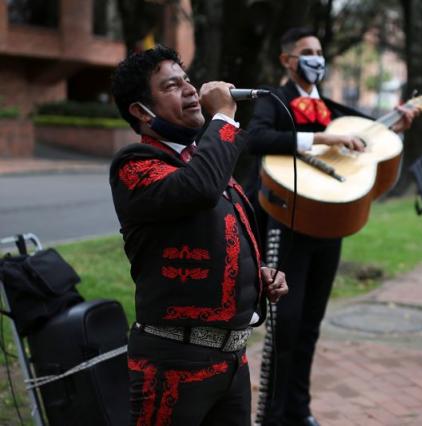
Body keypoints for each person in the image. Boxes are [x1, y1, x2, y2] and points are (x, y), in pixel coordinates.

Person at [245, 28, 419, 426]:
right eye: (307, 52)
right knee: (283, 327)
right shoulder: (276, 99)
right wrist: (318, 137)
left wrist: (396, 125)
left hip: (327, 223)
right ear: (287, 60)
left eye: (320, 52)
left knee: (310, 324)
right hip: (285, 220)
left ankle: (298, 410)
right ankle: (271, 416)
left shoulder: (330, 106)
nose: (316, 59)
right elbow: (255, 139)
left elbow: (366, 135)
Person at [109, 45, 288, 425]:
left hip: (232, 361)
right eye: (172, 86)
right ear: (142, 112)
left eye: (187, 80)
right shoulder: (136, 164)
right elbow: (199, 190)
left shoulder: (204, 160)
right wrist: (223, 116)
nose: (191, 90)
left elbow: (216, 232)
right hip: (173, 362)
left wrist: (257, 277)